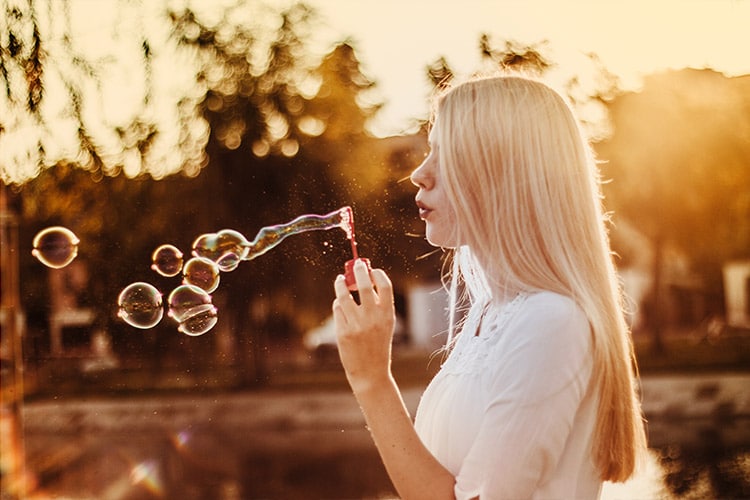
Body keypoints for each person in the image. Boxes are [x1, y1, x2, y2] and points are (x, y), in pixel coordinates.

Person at [332, 73, 648, 499]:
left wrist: (372, 379)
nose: (419, 175)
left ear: (502, 172)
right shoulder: (492, 313)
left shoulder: (550, 321)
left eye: (444, 154)